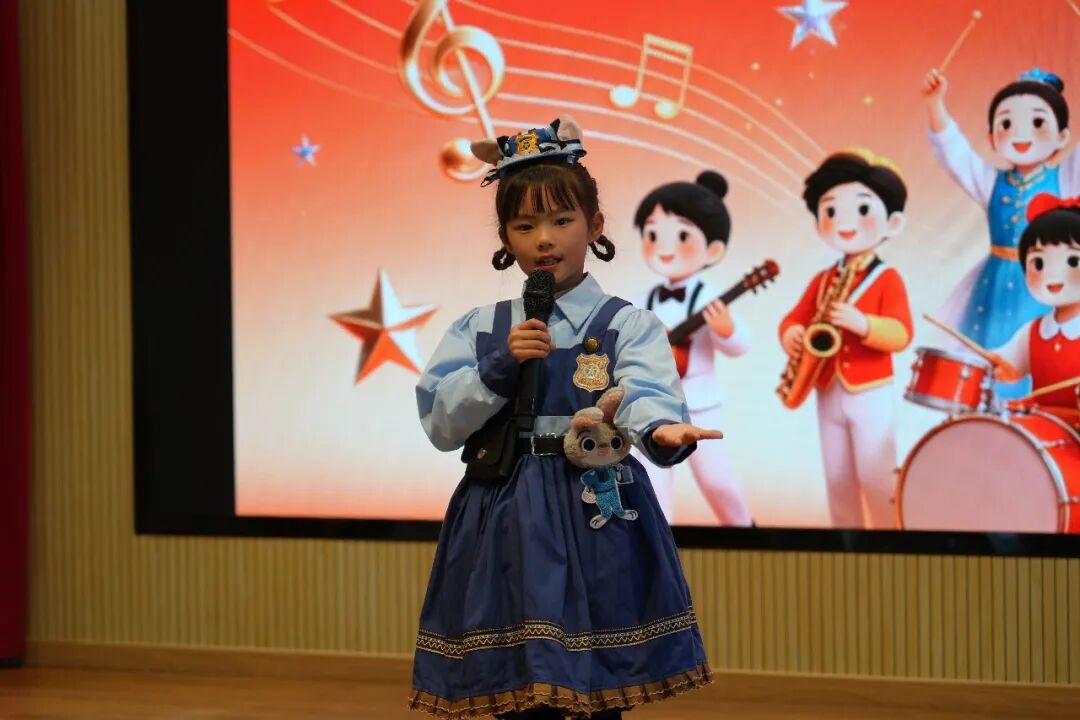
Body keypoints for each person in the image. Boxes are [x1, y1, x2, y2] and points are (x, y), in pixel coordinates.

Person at [408, 115, 715, 719]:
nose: (544, 240)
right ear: (505, 238)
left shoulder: (627, 324)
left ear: (595, 225)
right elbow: (441, 424)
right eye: (525, 226)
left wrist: (662, 430)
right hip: (503, 512)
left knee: (597, 692)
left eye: (562, 220)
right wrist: (499, 367)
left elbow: (645, 391)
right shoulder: (481, 327)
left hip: (595, 508)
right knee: (516, 692)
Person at [778, 149, 913, 529]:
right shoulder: (824, 279)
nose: (845, 222)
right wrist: (792, 334)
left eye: (863, 209)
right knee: (838, 481)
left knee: (877, 478)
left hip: (870, 392)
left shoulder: (887, 277)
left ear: (893, 222)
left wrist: (863, 324)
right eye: (832, 210)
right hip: (827, 388)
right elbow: (794, 318)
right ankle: (845, 546)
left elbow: (902, 333)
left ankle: (890, 543)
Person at [922, 67, 1077, 397]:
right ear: (992, 137)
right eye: (1007, 123)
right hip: (991, 285)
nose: (1021, 134)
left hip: (1043, 282)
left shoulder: (1065, 178)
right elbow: (956, 154)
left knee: (1038, 355)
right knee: (985, 359)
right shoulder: (992, 181)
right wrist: (935, 104)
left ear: (1062, 137)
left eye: (1037, 122)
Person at [629, 171, 752, 526]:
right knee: (653, 482)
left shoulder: (709, 298)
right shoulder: (642, 300)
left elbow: (739, 345)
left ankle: (746, 533)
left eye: (682, 236)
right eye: (653, 234)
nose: (664, 247)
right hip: (653, 407)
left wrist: (726, 329)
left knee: (716, 479)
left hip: (700, 405)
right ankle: (661, 542)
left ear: (713, 249)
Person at [990, 193, 1080, 430]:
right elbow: (1009, 365)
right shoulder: (1035, 331)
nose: (1052, 275)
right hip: (1040, 428)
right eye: (1038, 263)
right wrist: (994, 364)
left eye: (1073, 261)